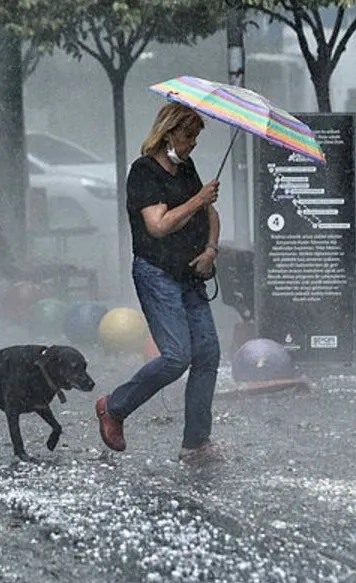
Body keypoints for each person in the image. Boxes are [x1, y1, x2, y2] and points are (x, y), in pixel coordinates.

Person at [94, 102, 223, 464]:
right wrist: (198, 199)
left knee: (208, 353)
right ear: (168, 132)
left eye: (196, 137)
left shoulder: (186, 168)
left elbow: (210, 214)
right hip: (157, 273)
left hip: (191, 273)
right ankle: (114, 407)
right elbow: (158, 225)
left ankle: (196, 443)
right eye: (188, 136)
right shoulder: (143, 172)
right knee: (177, 356)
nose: (193, 144)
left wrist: (211, 248)